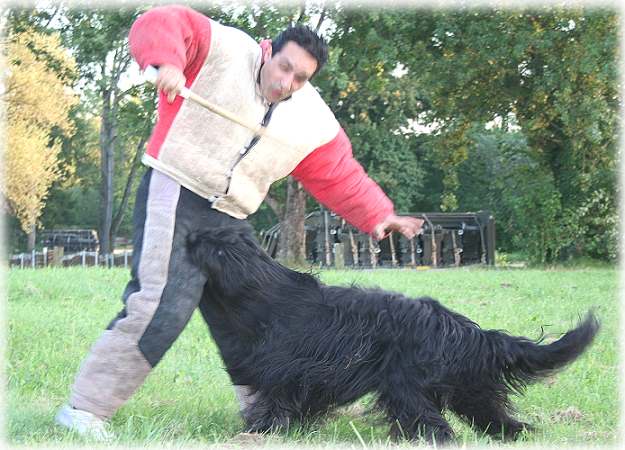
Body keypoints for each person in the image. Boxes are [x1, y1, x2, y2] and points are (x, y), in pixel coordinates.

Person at [55, 4, 424, 440]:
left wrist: (379, 214)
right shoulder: (227, 49)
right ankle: (85, 411)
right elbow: (163, 20)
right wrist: (170, 62)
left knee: (257, 313)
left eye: (300, 77)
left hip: (231, 217)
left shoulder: (312, 117)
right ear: (269, 52)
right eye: (283, 67)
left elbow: (337, 171)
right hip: (175, 193)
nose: (286, 82)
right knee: (162, 305)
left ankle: (265, 414)